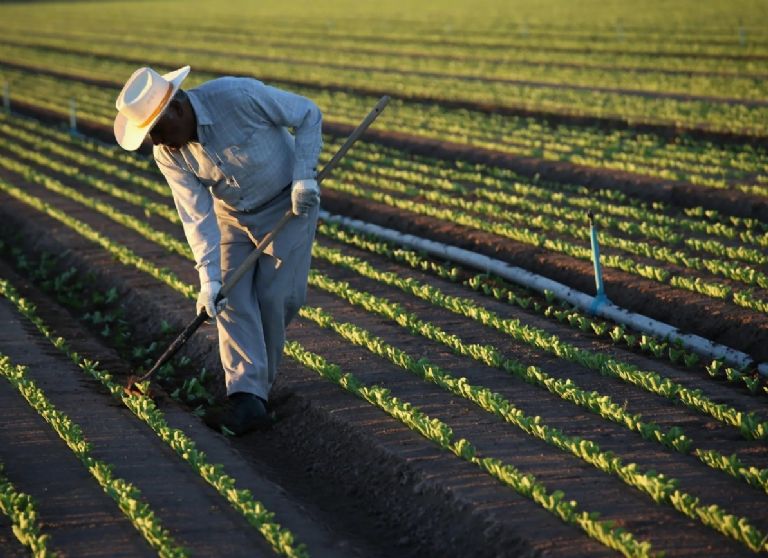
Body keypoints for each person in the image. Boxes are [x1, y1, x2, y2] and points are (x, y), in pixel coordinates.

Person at [113, 65, 322, 435]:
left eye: (158, 131)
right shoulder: (169, 155)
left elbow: (307, 113)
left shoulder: (238, 97)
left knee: (276, 299)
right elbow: (195, 216)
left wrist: (304, 175)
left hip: (287, 205)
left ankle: (258, 389)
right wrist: (207, 280)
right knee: (229, 295)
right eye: (150, 136)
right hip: (231, 214)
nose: (158, 142)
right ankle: (247, 397)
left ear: (176, 107)